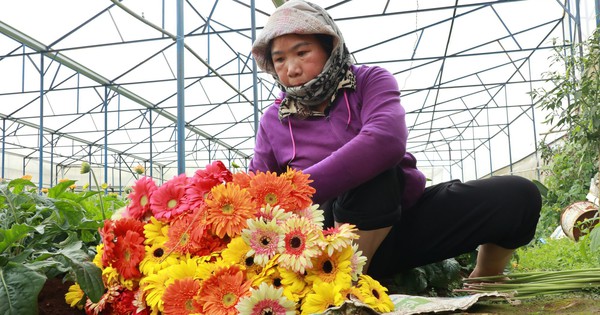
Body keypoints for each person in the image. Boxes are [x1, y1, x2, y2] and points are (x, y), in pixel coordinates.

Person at [249, 0, 541, 281]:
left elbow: (386, 140)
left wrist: (298, 187)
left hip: (400, 221)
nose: (292, 68)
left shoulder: (368, 81)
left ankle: (486, 276)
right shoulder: (274, 120)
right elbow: (255, 191)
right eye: (280, 59)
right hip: (321, 246)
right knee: (370, 175)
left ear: (329, 47)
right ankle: (343, 281)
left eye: (302, 53)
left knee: (518, 196)